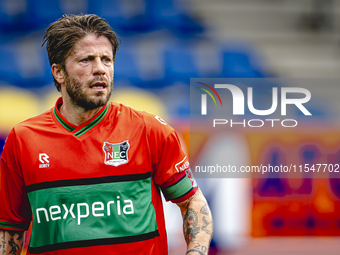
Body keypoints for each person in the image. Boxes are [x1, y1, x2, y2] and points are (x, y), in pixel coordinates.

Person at [0, 14, 213, 255]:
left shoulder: (149, 130)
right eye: (86, 60)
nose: (100, 69)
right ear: (58, 72)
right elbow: (10, 228)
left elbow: (193, 202)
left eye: (107, 60)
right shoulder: (23, 139)